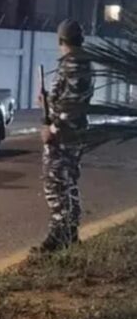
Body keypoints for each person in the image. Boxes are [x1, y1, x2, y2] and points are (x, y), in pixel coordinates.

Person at [37, 19, 93, 253]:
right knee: (68, 183)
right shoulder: (81, 62)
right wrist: (47, 101)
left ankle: (60, 235)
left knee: (56, 183)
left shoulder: (73, 64)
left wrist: (52, 129)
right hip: (73, 132)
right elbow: (69, 98)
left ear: (61, 40)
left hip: (64, 135)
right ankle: (69, 233)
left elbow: (71, 105)